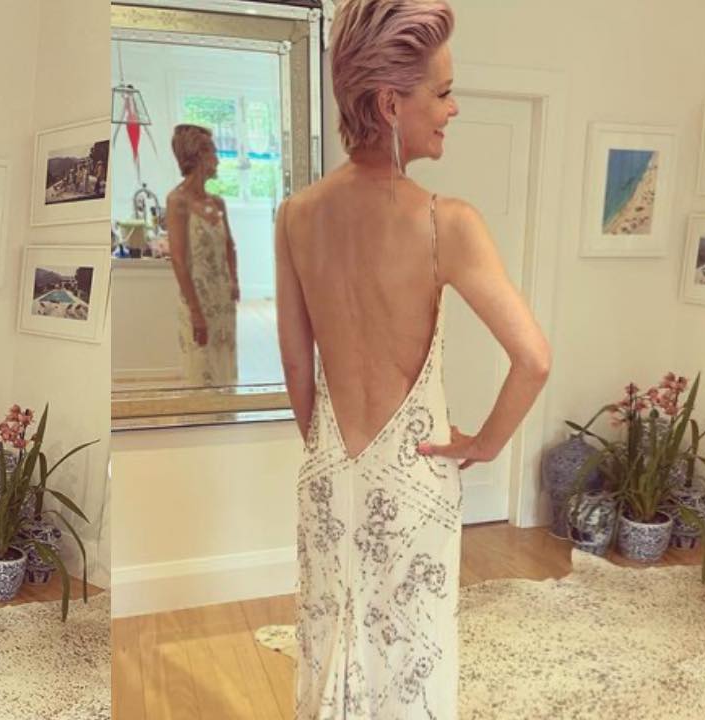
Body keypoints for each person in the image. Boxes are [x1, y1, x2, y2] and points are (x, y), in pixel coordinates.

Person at [276, 1, 551, 717]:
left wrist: (329, 451)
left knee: (329, 638)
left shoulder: (296, 214)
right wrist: (482, 446)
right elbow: (533, 359)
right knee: (411, 656)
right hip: (415, 477)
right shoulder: (445, 222)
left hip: (326, 470)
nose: (454, 109)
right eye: (443, 92)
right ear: (389, 104)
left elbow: (298, 369)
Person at [165, 124, 240, 387]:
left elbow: (230, 244)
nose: (218, 160)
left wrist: (234, 280)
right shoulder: (177, 201)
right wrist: (196, 312)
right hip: (197, 298)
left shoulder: (217, 203)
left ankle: (227, 408)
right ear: (199, 155)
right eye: (214, 152)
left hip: (222, 299)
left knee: (224, 364)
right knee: (201, 368)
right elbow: (178, 260)